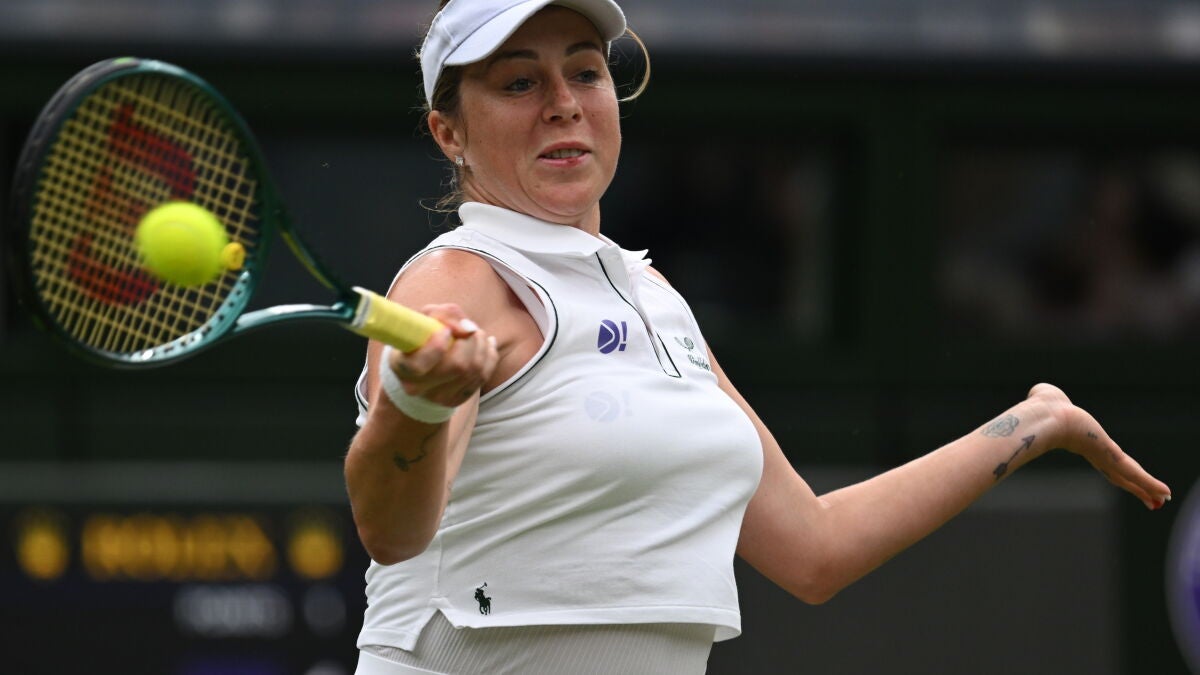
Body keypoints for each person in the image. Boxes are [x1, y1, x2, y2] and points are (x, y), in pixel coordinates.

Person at [343, 1, 1173, 673]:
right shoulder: (457, 283)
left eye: (586, 71)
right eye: (519, 81)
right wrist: (416, 402)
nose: (564, 101)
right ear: (449, 133)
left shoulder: (654, 298)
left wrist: (1035, 423)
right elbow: (391, 530)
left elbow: (815, 548)